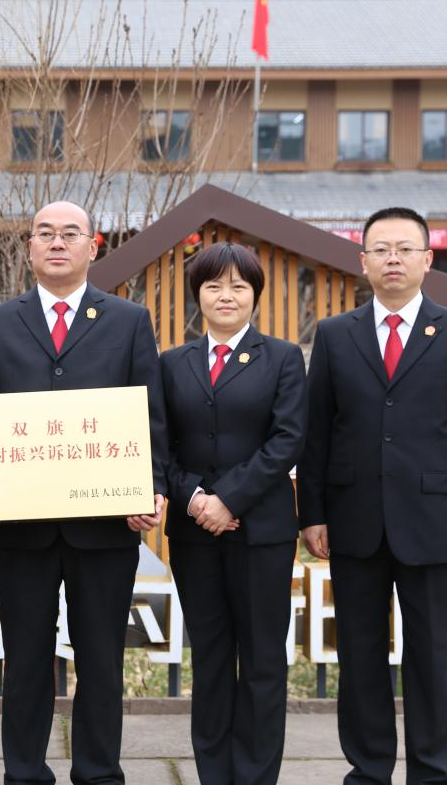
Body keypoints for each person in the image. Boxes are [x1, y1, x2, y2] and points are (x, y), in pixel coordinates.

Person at [0, 200, 167, 785]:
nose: (56, 242)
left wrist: (152, 487)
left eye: (70, 234)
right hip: (22, 528)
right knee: (25, 661)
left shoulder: (128, 321)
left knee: (102, 659)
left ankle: (98, 773)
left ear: (92, 247)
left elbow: (150, 416)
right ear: (28, 246)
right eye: (44, 233)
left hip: (106, 526)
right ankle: (24, 773)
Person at [297, 207, 447, 784]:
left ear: (427, 260)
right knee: (360, 655)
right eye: (381, 249)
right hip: (353, 519)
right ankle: (368, 770)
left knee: (432, 655)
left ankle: (433, 772)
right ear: (362, 261)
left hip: (435, 522)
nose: (393, 259)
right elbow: (317, 431)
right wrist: (312, 513)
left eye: (405, 249)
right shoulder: (335, 335)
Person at [159, 242, 307, 785]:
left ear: (255, 295)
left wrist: (229, 499)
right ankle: (214, 774)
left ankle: (256, 775)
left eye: (239, 286)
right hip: (194, 532)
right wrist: (196, 499)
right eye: (214, 285)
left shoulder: (283, 358)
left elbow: (288, 439)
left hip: (262, 532)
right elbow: (160, 445)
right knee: (211, 657)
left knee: (263, 659)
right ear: (197, 295)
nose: (226, 295)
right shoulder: (171, 363)